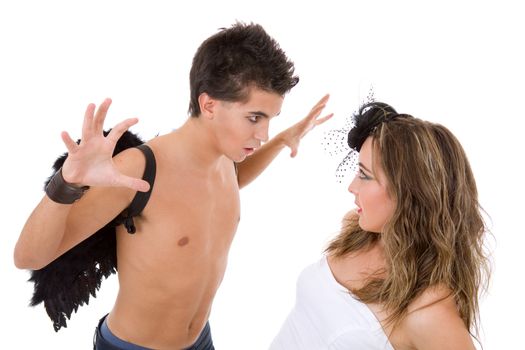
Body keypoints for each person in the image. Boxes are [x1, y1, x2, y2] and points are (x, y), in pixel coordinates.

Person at [14, 22, 332, 349]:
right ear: (209, 105)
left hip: (200, 340)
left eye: (271, 120)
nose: (262, 133)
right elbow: (29, 256)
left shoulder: (224, 158)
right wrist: (66, 182)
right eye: (254, 118)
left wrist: (281, 141)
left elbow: (234, 182)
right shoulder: (139, 172)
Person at [270, 102, 490, 349]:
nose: (351, 186)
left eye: (365, 175)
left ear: (410, 193)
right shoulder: (355, 231)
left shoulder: (428, 311)